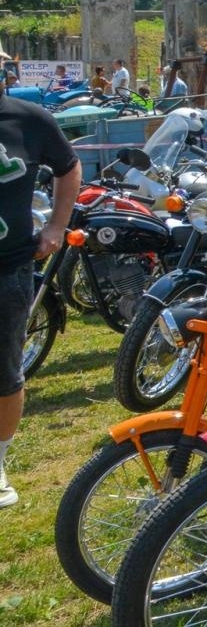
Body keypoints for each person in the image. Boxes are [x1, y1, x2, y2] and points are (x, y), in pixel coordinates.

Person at [0, 74, 82, 508]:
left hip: (8, 266)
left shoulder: (29, 119)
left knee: (5, 370)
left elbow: (69, 169)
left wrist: (56, 226)